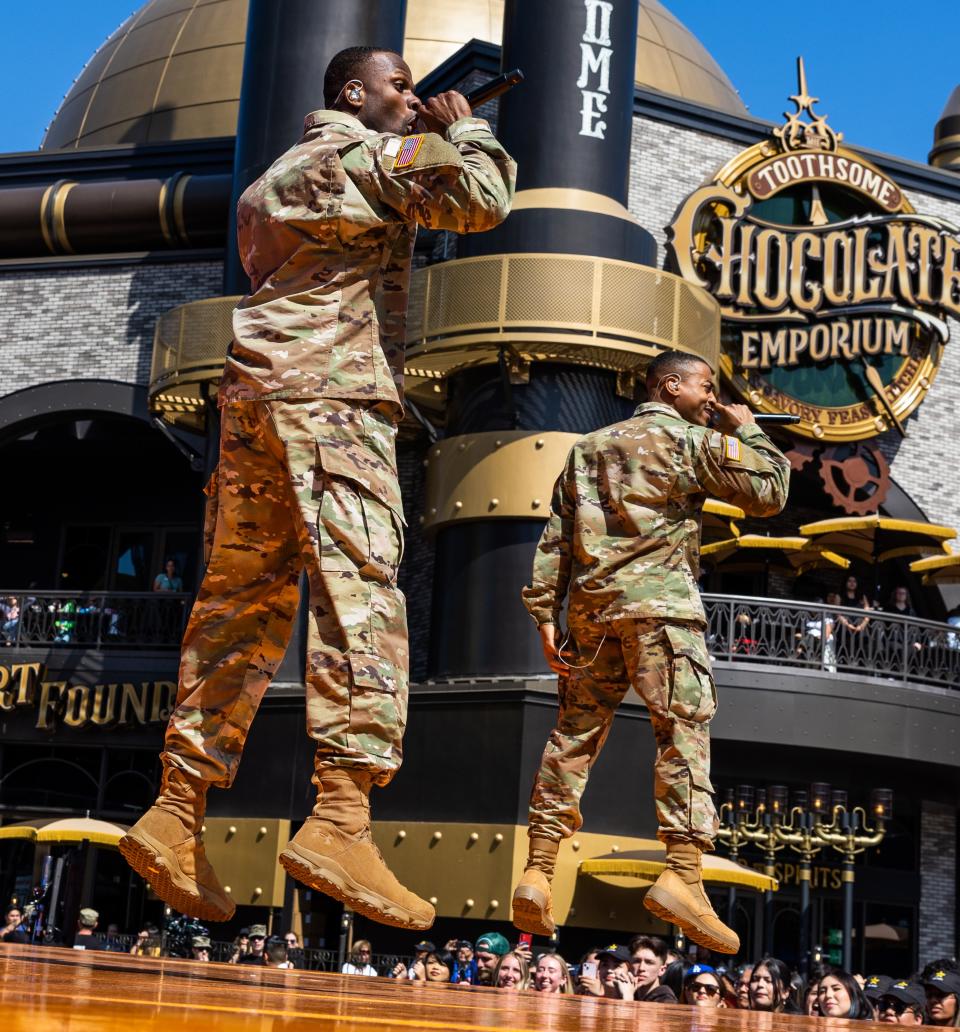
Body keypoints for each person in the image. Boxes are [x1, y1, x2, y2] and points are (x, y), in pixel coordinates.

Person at [118, 44, 515, 930]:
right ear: (352, 94)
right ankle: (340, 819)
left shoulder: (274, 179)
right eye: (400, 87)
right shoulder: (368, 155)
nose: (413, 100)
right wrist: (469, 130)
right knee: (360, 595)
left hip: (254, 394)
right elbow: (483, 202)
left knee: (238, 605)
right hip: (333, 399)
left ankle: (176, 812)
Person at [511, 350, 789, 954]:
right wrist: (746, 429)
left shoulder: (587, 447)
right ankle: (684, 876)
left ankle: (537, 869)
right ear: (670, 386)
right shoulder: (690, 440)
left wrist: (542, 618)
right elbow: (769, 494)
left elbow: (555, 538)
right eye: (705, 385)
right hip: (663, 614)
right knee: (682, 732)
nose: (711, 397)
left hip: (592, 616)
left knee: (574, 738)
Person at [630, 934, 676, 1003]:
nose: (641, 968)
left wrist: (627, 998)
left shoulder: (667, 1001)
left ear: (662, 970)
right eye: (637, 961)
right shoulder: (630, 992)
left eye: (649, 962)